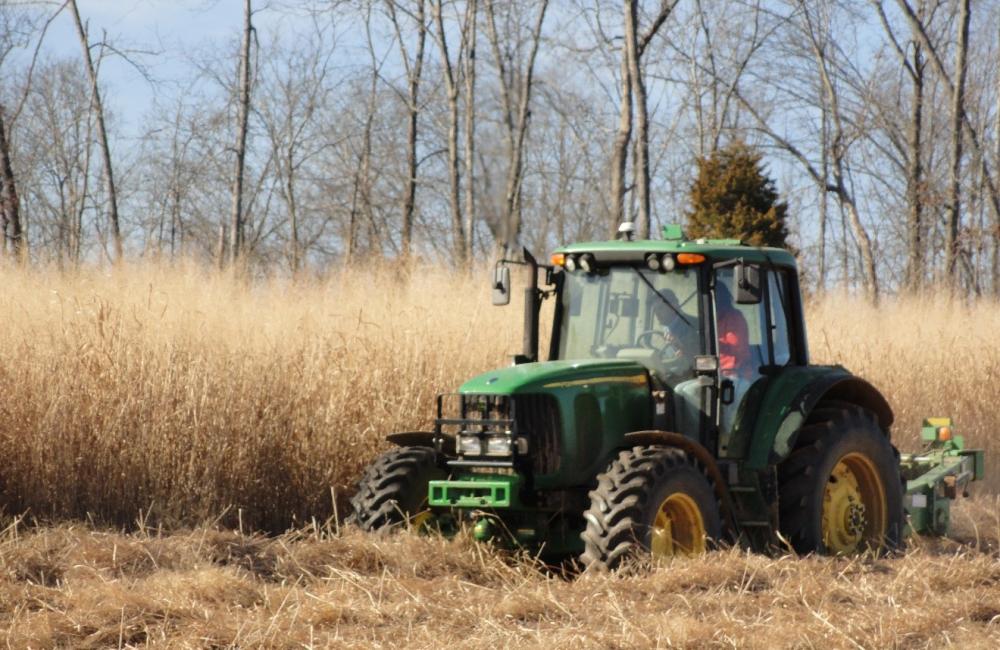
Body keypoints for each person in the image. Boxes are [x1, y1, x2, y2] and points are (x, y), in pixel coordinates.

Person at [714, 283, 751, 379]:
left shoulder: (734, 318)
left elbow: (737, 350)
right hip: (713, 370)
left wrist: (713, 343)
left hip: (734, 373)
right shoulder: (710, 321)